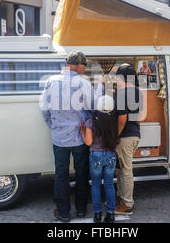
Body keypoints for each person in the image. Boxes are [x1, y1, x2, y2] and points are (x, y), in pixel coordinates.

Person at [40, 51, 94, 222]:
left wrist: (53, 126)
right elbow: (93, 107)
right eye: (84, 65)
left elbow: (44, 109)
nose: (85, 69)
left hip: (59, 138)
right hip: (79, 137)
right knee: (81, 173)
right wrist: (86, 122)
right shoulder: (83, 83)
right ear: (77, 65)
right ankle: (81, 210)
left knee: (61, 174)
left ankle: (63, 212)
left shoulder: (51, 81)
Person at [79, 95, 119, 223]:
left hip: (96, 155)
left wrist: (82, 131)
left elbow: (88, 142)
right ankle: (111, 214)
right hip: (111, 155)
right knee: (109, 184)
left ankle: (97, 214)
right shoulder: (114, 121)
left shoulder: (91, 122)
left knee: (95, 185)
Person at [114, 64, 143, 215]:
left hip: (125, 136)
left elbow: (122, 119)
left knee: (125, 170)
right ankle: (121, 198)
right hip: (135, 134)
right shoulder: (139, 92)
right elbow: (138, 118)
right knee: (121, 169)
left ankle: (127, 204)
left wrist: (115, 136)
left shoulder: (122, 94)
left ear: (121, 78)